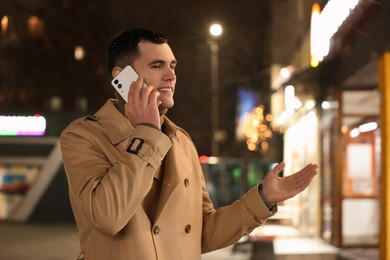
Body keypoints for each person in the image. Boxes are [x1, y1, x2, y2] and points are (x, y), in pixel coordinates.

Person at [60, 28, 318, 260]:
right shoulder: (84, 136)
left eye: (173, 66)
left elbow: (201, 232)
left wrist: (263, 198)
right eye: (157, 65)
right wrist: (147, 131)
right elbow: (108, 217)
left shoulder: (182, 142)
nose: (171, 75)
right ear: (122, 77)